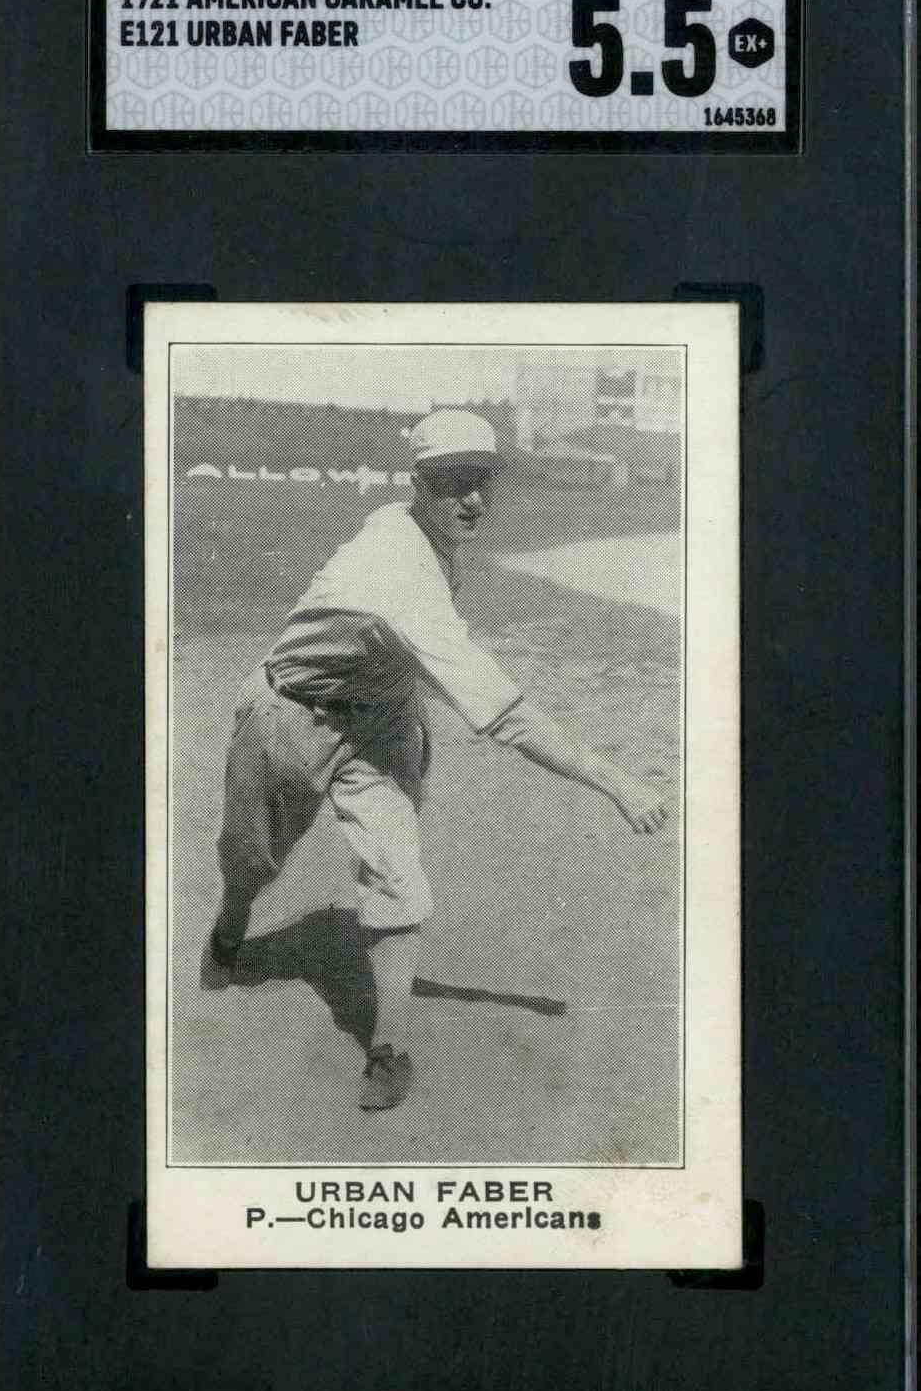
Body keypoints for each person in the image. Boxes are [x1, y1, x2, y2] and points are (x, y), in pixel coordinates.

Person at [201, 408, 669, 1110]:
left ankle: (386, 1050)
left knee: (396, 875)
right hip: (289, 713)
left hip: (381, 721)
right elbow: (506, 716)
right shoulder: (394, 574)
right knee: (253, 858)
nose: (472, 497)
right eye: (452, 481)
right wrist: (615, 780)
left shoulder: (421, 528)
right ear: (418, 483)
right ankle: (230, 926)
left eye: (481, 478)